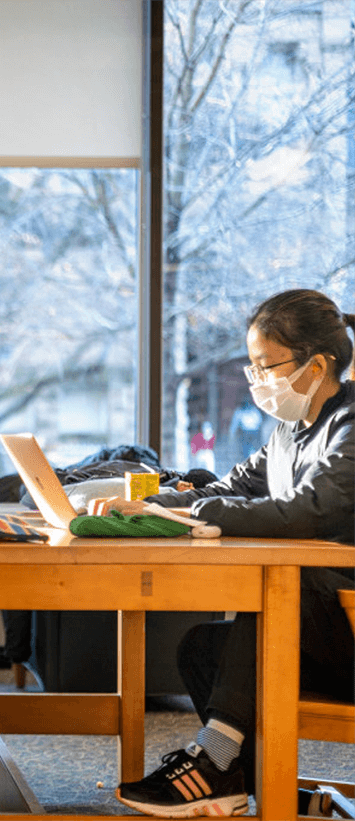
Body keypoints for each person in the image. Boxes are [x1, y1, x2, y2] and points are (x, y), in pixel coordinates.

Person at [88, 289, 355, 818]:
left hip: (345, 620)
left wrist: (198, 516)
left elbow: (313, 510)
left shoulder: (350, 426)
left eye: (266, 366)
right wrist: (146, 506)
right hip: (322, 625)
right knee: (202, 648)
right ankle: (239, 779)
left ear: (317, 364)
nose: (258, 381)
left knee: (283, 588)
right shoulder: (289, 431)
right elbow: (231, 487)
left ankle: (211, 763)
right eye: (252, 366)